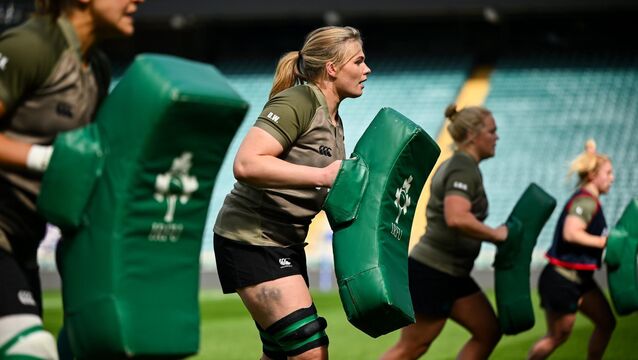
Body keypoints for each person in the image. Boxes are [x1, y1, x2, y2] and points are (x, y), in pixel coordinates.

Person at [213, 26, 371, 360]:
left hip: (284, 243)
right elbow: (246, 163)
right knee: (310, 351)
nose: (366, 70)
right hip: (252, 241)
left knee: (280, 354)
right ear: (332, 68)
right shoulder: (298, 100)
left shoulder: (335, 121)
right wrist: (323, 175)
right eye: (358, 61)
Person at [0, 0, 144, 358]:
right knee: (31, 348)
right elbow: (61, 162)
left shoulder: (96, 68)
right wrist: (45, 159)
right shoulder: (30, 46)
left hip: (23, 242)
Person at [381, 104, 508, 360]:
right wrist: (496, 235)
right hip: (434, 271)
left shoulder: (461, 165)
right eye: (492, 131)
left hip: (453, 273)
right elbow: (456, 216)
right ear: (472, 135)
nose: (497, 137)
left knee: (488, 330)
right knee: (412, 347)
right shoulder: (462, 167)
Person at [528, 139, 616, 360]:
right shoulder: (586, 202)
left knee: (606, 322)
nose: (612, 178)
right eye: (608, 173)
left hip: (579, 279)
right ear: (592, 176)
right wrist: (603, 242)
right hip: (562, 279)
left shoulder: (590, 199)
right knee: (557, 336)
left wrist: (592, 153)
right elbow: (571, 232)